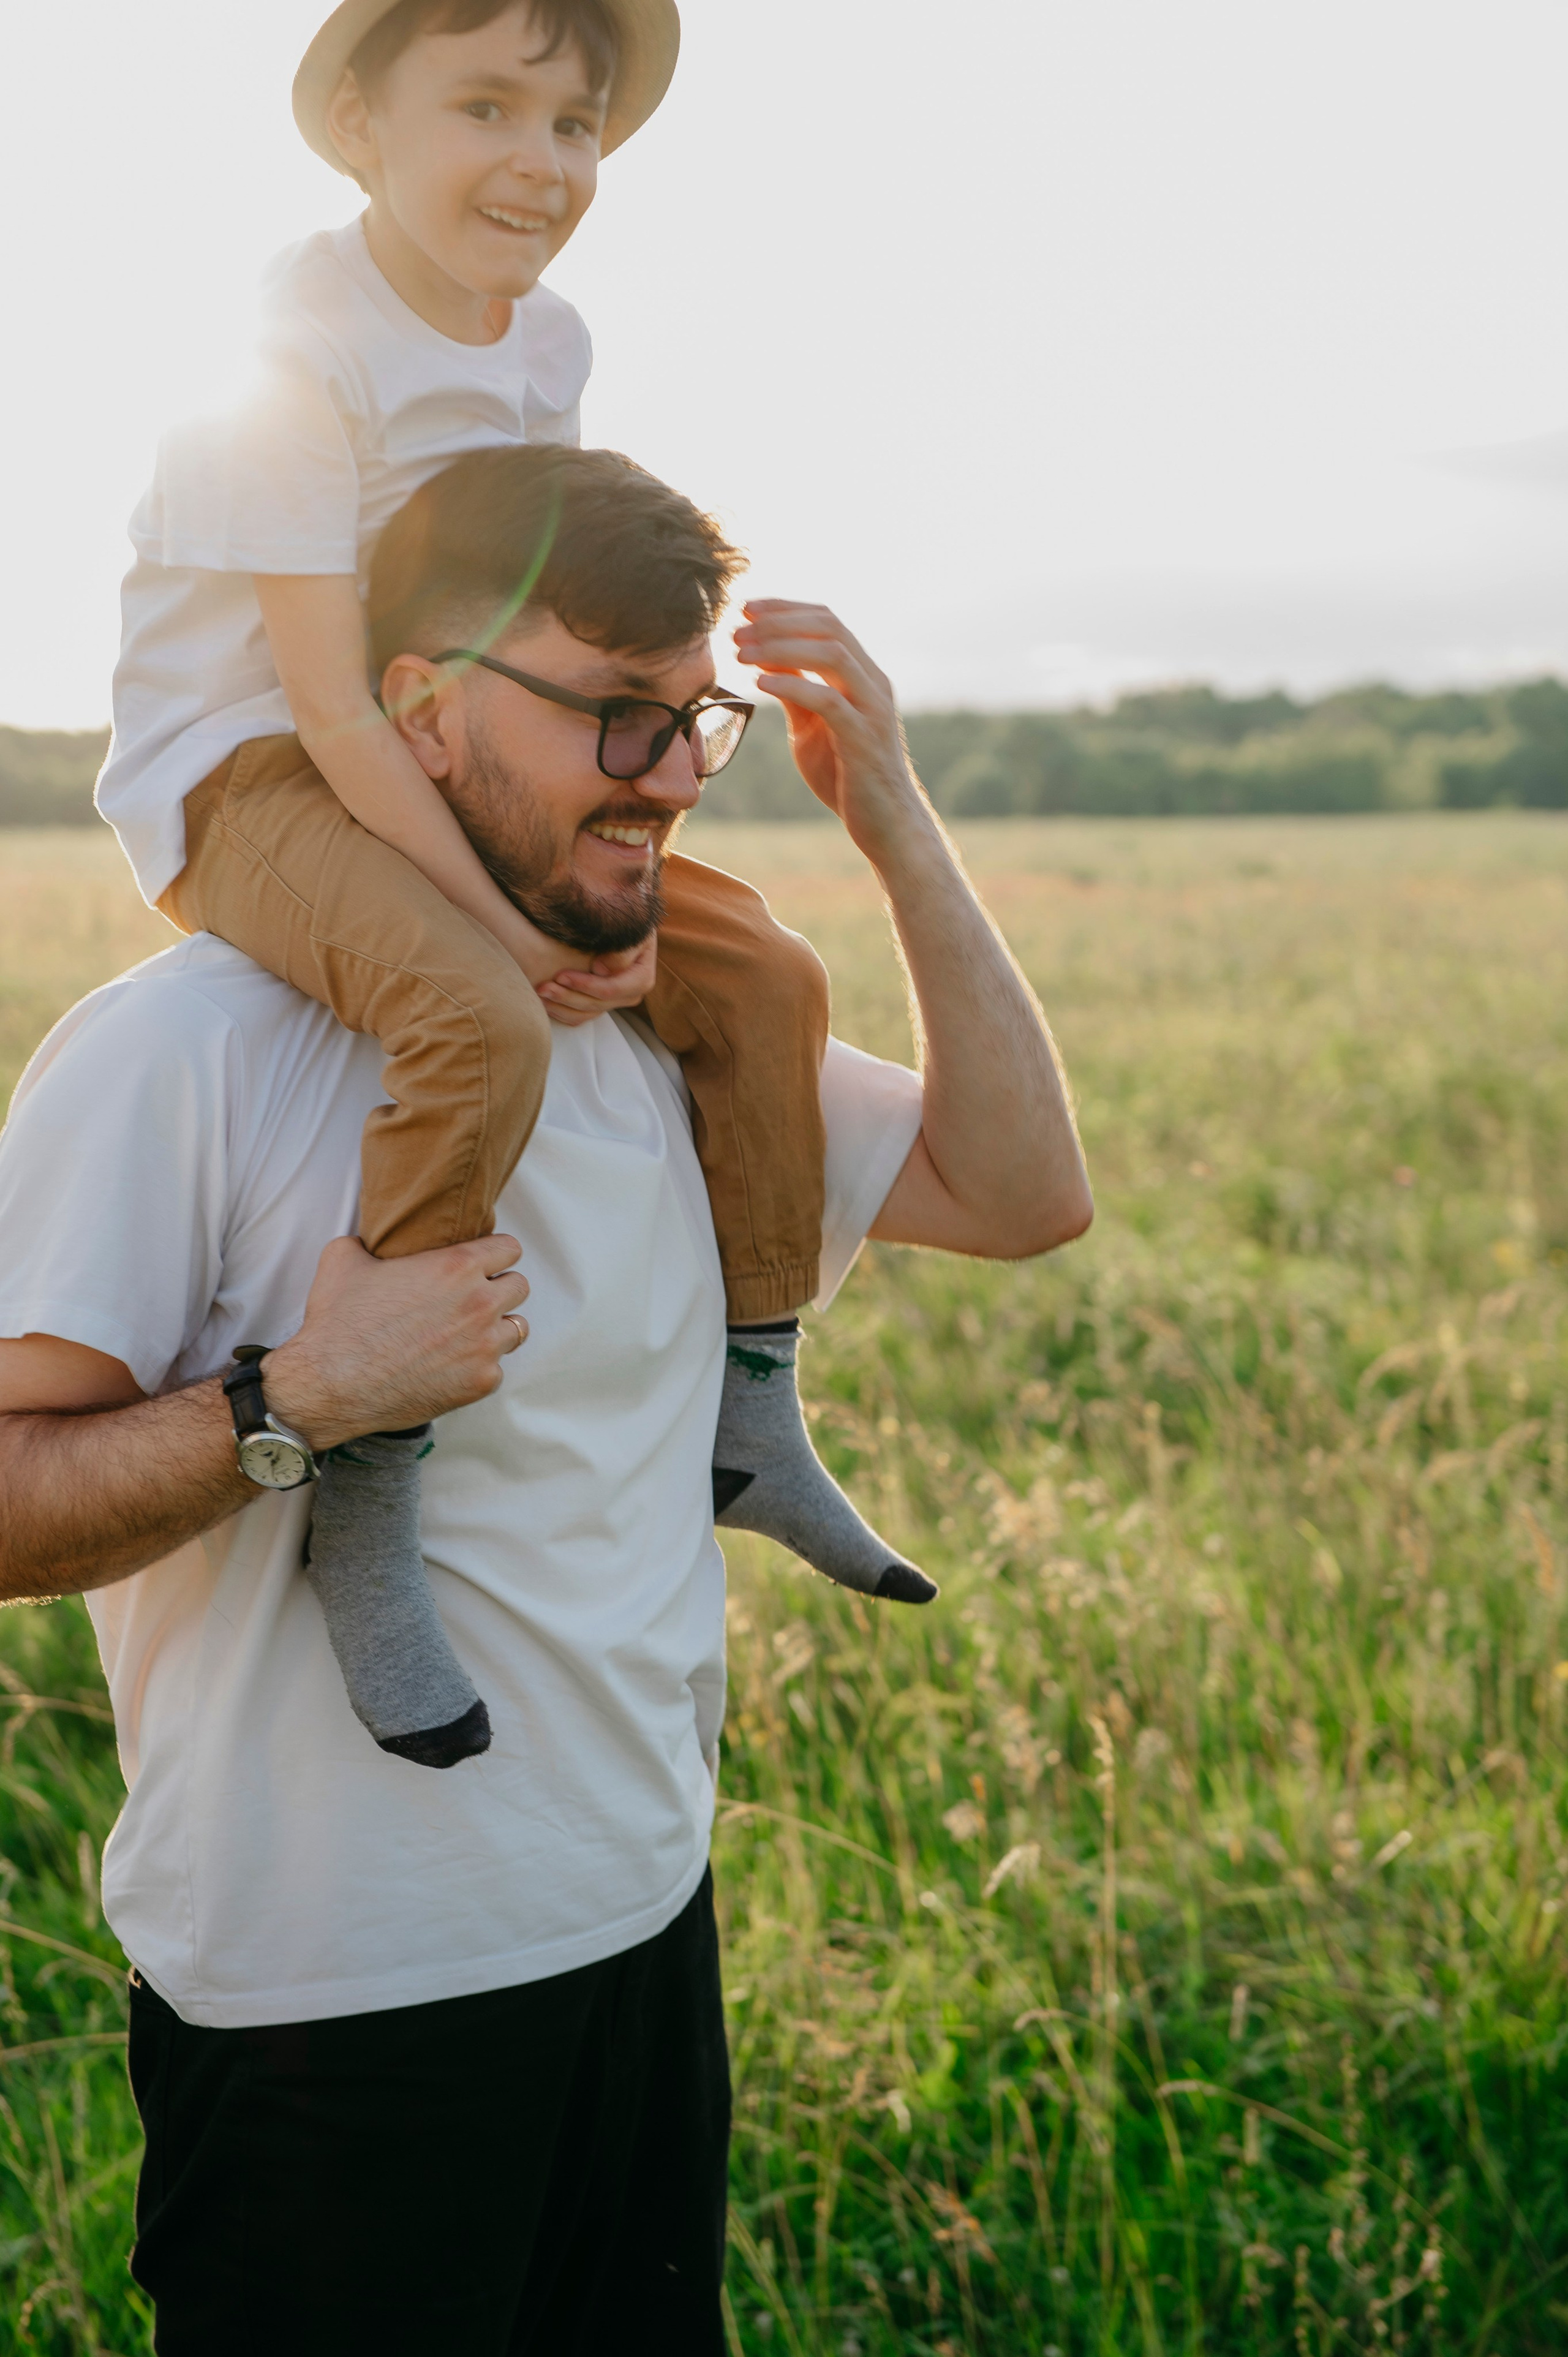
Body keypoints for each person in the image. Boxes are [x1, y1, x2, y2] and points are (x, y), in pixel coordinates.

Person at [0, 445, 1092, 2353]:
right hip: (332, 2020)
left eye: (697, 723)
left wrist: (897, 823)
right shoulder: (185, 1051)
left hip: (646, 1925)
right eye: (614, 714)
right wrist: (297, 1399)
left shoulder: (664, 1031)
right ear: (416, 710)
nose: (671, 777)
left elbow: (1019, 1195)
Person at [94, 0, 932, 1778]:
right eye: (486, 106)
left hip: (440, 749)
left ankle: (753, 1408)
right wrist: (512, 928)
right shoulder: (293, 358)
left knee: (765, 978)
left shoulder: (547, 340)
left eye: (574, 123)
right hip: (255, 773)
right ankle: (367, 1490)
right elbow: (330, 703)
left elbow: (513, 600)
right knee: (481, 1021)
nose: (541, 162)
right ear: (356, 123)